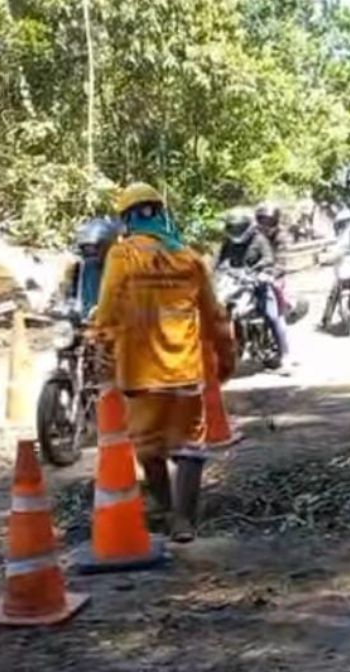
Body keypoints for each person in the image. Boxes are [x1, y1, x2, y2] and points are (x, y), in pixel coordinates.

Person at [94, 183, 234, 544]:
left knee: (147, 444)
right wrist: (226, 354)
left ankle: (163, 507)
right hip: (184, 370)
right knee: (190, 445)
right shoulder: (189, 258)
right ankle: (184, 521)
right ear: (161, 214)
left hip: (139, 373)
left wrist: (101, 345)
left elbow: (108, 306)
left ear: (126, 219)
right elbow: (215, 315)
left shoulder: (122, 256)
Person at [216, 210, 291, 369]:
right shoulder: (228, 242)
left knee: (272, 315)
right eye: (233, 228)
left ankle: (285, 355)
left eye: (239, 228)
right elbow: (220, 261)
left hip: (256, 282)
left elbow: (268, 258)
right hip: (234, 283)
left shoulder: (258, 239)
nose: (236, 232)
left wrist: (262, 271)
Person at [60, 217, 123, 319]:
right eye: (86, 250)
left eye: (94, 249)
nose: (90, 255)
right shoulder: (80, 268)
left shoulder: (121, 269)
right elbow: (72, 297)